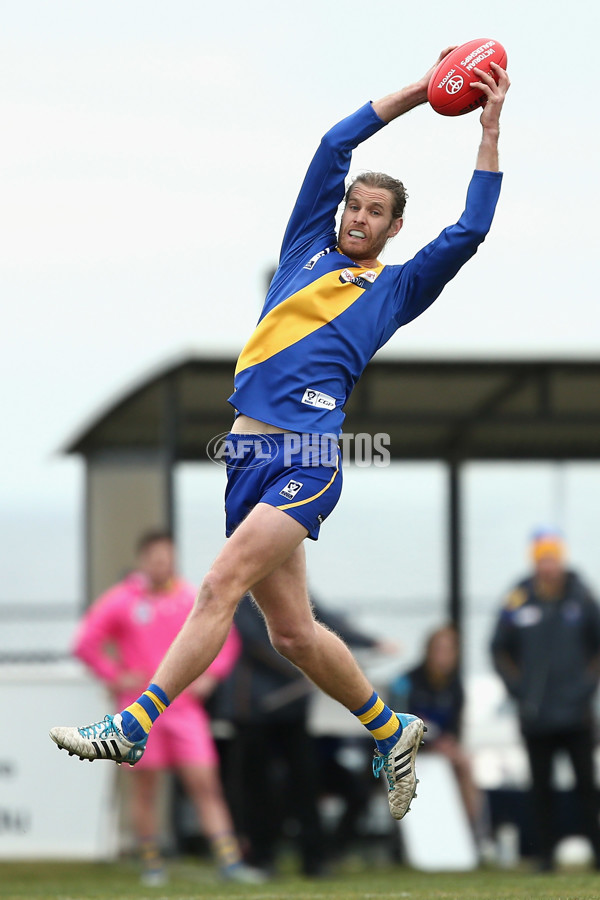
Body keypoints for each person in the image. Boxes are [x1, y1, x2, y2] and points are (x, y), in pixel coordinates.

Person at [51, 48, 510, 826]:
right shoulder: (305, 249)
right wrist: (421, 93)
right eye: (354, 207)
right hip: (245, 460)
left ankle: (133, 724)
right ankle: (391, 727)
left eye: (376, 213)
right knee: (294, 634)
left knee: (219, 583)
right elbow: (334, 145)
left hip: (306, 459)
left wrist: (486, 129)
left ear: (395, 228)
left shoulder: (395, 288)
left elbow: (469, 230)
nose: (360, 218)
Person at [71, 530, 261, 885]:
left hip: (184, 708)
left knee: (205, 783)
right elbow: (85, 643)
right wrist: (115, 676)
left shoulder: (191, 597)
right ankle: (152, 864)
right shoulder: (122, 600)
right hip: (138, 711)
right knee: (146, 788)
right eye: (156, 558)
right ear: (143, 560)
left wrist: (211, 676)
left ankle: (229, 862)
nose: (163, 564)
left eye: (168, 557)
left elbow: (226, 641)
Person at [216, 593, 395, 876]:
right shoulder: (245, 592)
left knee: (305, 781)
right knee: (257, 788)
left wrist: (370, 642)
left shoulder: (294, 586)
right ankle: (261, 857)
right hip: (253, 709)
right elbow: (256, 642)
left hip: (293, 710)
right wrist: (301, 668)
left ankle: (314, 859)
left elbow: (326, 624)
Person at [491, 528, 600, 871]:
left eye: (552, 559)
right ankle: (545, 855)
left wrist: (586, 687)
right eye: (542, 559)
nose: (548, 566)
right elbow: (498, 649)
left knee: (586, 784)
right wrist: (518, 689)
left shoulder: (581, 597)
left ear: (561, 560)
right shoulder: (519, 598)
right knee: (541, 788)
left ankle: (596, 850)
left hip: (576, 713)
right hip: (535, 713)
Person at [389, 625, 484, 835]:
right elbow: (395, 728)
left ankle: (471, 834)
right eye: (439, 650)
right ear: (428, 652)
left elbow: (454, 729)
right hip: (407, 752)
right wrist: (430, 744)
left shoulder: (455, 687)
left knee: (465, 763)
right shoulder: (406, 682)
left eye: (448, 651)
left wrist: (448, 744)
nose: (443, 657)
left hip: (442, 750)